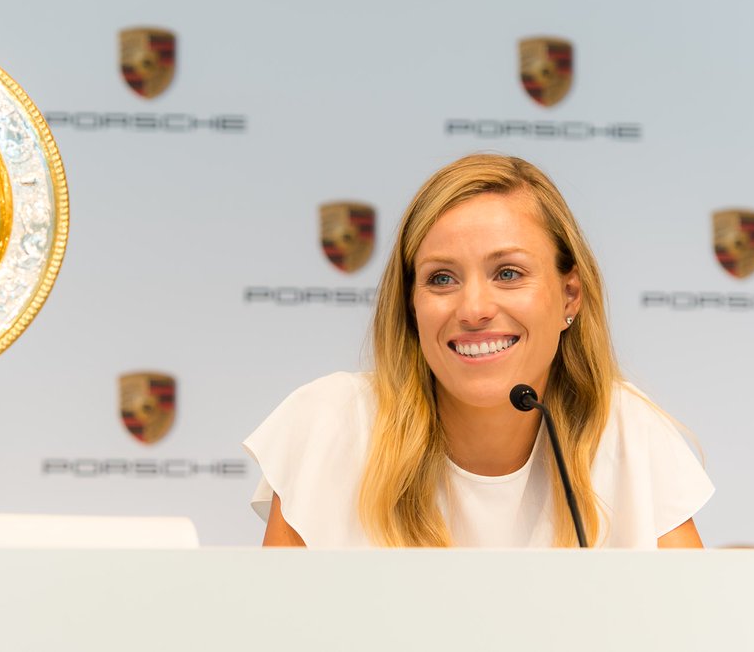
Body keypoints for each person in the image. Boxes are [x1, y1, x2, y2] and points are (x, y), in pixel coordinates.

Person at [244, 154, 712, 548]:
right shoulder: (331, 425)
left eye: (508, 273)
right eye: (441, 278)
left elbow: (700, 628)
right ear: (411, 304)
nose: (473, 309)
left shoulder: (628, 432)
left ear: (570, 295)